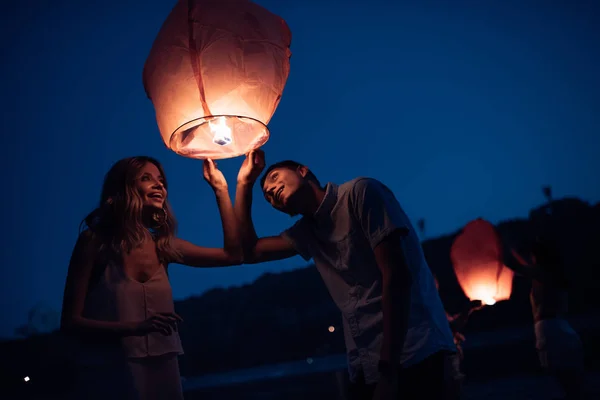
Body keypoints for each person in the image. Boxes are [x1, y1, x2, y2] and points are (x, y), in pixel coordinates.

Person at [235, 150, 457, 400]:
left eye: (274, 177)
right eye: (266, 196)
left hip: (414, 353)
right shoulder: (307, 232)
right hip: (366, 365)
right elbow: (250, 251)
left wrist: (388, 370)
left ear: (303, 170)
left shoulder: (360, 193)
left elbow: (396, 278)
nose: (271, 191)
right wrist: (244, 183)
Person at [60, 156, 242, 400]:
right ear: (123, 189)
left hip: (164, 368)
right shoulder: (94, 243)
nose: (159, 185)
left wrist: (220, 189)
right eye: (146, 178)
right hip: (110, 373)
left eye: (161, 180)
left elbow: (233, 255)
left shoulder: (164, 247)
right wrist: (135, 327)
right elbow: (71, 322)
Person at [503, 236, 585, 400]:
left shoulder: (543, 273)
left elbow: (515, 265)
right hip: (558, 326)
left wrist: (501, 247)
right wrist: (510, 248)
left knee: (565, 377)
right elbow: (523, 266)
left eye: (532, 255)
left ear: (538, 256)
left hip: (550, 329)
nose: (531, 258)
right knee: (569, 377)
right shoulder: (549, 272)